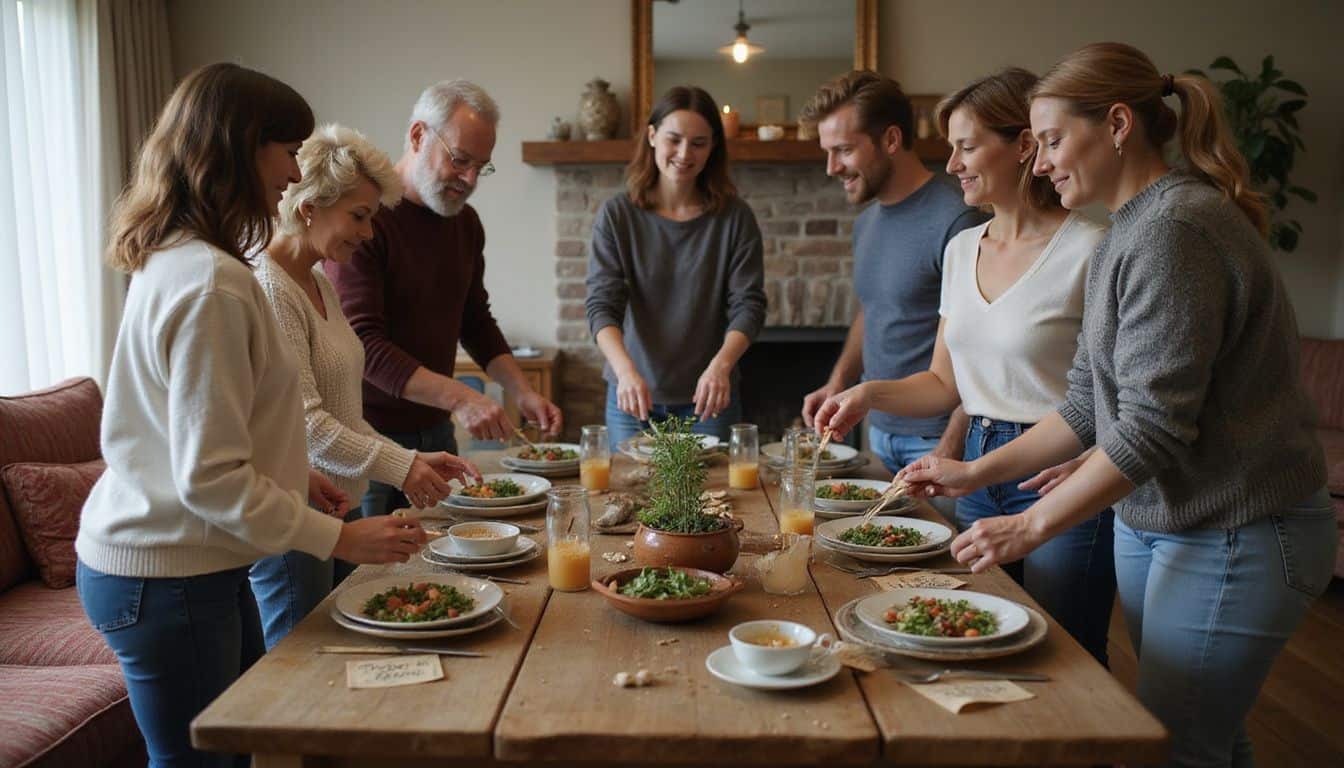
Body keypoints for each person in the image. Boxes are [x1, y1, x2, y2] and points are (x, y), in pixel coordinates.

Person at [898, 43, 1336, 767]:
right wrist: (974, 475)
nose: (1039, 163)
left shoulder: (1173, 230)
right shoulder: (1127, 232)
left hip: (1238, 526)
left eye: (1051, 140)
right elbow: (1087, 405)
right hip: (1169, 520)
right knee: (1208, 738)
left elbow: (1152, 428)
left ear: (1120, 125)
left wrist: (1025, 528)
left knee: (1179, 746)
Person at [76, 63, 427, 768]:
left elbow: (207, 436)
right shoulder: (216, 282)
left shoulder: (185, 259)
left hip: (185, 564)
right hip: (163, 572)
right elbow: (210, 478)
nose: (296, 169)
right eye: (288, 148)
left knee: (237, 753)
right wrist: (340, 539)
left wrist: (294, 481)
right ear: (241, 146)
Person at [813, 69, 1115, 664]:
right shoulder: (961, 248)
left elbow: (1107, 396)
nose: (951, 165)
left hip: (1062, 470)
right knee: (973, 638)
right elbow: (943, 384)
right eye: (950, 147)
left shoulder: (1092, 245)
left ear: (1024, 145)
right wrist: (867, 392)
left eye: (967, 146)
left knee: (1067, 655)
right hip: (976, 467)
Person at [251, 123, 481, 649]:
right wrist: (404, 465)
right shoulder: (271, 288)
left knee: (343, 651)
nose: (368, 233)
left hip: (337, 506)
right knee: (300, 674)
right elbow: (306, 427)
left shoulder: (320, 284)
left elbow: (344, 414)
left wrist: (407, 457)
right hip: (295, 522)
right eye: (359, 216)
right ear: (309, 206)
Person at [325, 80, 562, 519]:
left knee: (442, 568)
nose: (470, 179)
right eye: (460, 159)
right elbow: (364, 344)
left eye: (481, 166)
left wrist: (522, 391)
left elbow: (475, 321)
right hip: (368, 440)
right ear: (418, 136)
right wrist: (461, 398)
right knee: (377, 580)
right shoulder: (365, 220)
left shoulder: (465, 224)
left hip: (436, 433)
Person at [797, 71, 988, 521]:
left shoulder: (957, 218)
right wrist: (839, 380)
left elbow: (978, 345)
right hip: (877, 434)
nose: (831, 168)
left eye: (843, 150)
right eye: (827, 152)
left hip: (938, 443)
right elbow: (874, 308)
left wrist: (950, 448)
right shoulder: (867, 221)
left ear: (891, 139)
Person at [585, 86, 766, 448]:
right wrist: (625, 372)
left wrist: (721, 367)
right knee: (633, 501)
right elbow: (601, 306)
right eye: (674, 139)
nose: (685, 154)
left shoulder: (735, 218)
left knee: (715, 501)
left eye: (699, 143)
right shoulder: (617, 216)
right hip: (633, 396)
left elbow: (749, 305)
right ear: (652, 137)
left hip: (708, 398)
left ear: (713, 146)